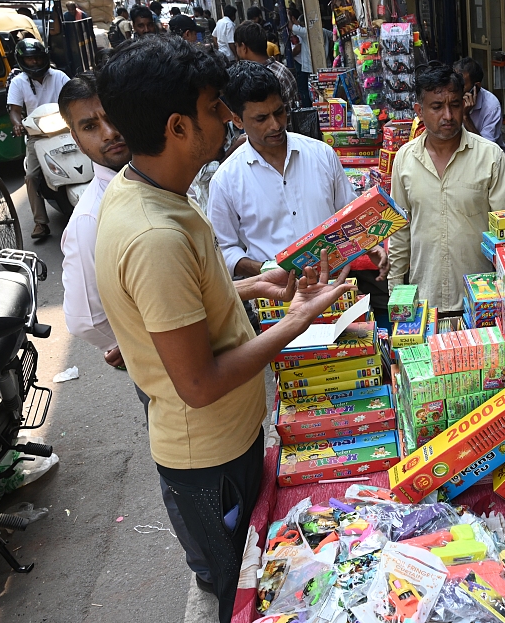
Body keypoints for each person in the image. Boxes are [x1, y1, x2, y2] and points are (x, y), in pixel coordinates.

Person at [95, 36, 355, 622]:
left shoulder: (155, 192)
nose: (227, 120)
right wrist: (296, 320)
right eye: (215, 108)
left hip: (228, 444)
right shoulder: (155, 235)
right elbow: (200, 383)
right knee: (240, 589)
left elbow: (186, 301)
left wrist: (255, 286)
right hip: (209, 460)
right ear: (178, 127)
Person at [56, 73, 216, 592]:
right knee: (185, 464)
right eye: (90, 126)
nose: (107, 133)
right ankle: (210, 568)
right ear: (74, 137)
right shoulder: (95, 217)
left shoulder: (148, 183)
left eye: (109, 117)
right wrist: (132, 340)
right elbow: (84, 316)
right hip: (173, 372)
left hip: (189, 355)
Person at [208, 61, 386, 279]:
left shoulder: (322, 154)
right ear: (237, 120)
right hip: (273, 294)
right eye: (261, 119)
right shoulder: (225, 180)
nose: (275, 125)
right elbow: (223, 249)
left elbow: (349, 214)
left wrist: (369, 245)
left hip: (333, 286)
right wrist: (265, 269)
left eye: (279, 112)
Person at [388, 61, 505, 314]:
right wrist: (395, 289)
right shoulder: (404, 159)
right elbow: (399, 231)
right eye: (437, 107)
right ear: (419, 111)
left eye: (455, 105)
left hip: (481, 302)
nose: (448, 115)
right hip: (424, 300)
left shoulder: (491, 157)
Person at [7, 38, 70, 241]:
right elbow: (14, 110)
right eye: (29, 59)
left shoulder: (59, 76)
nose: (34, 62)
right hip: (37, 135)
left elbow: (74, 96)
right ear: (22, 61)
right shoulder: (18, 82)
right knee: (32, 176)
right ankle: (40, 222)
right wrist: (17, 124)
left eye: (37, 58)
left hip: (65, 128)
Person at [233, 21, 299, 110]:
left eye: (237, 46)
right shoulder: (281, 68)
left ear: (244, 47)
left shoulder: (261, 79)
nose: (237, 51)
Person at [452, 57, 505, 150]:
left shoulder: (491, 106)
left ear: (476, 86)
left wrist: (465, 117)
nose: (456, 89)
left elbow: (486, 149)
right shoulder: (449, 97)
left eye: (462, 85)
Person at [288, 7, 312, 107]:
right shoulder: (300, 31)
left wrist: (289, 55)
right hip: (302, 63)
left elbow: (298, 47)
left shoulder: (301, 31)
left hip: (302, 64)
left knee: (304, 89)